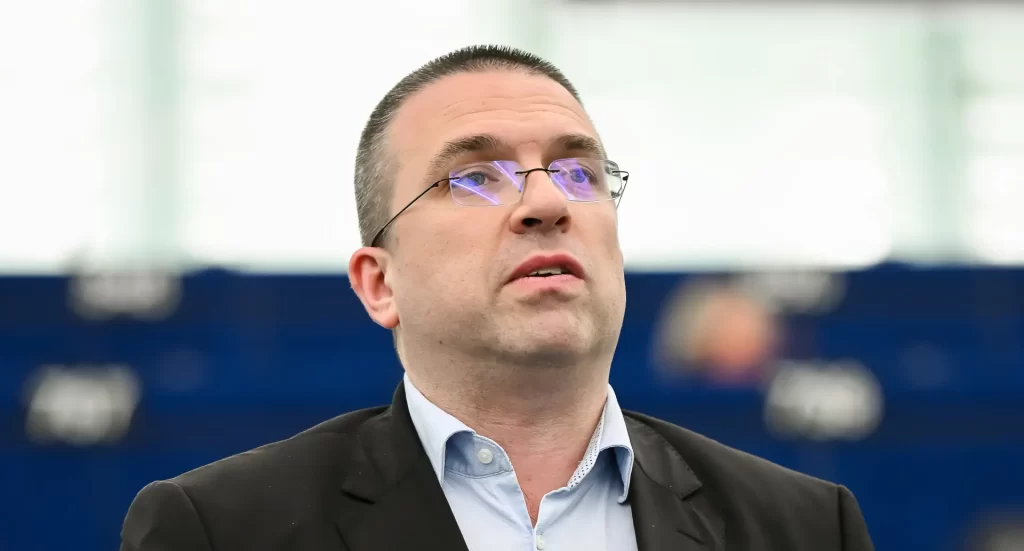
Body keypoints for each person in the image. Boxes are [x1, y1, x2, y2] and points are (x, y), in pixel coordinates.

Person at [120, 45, 874, 550]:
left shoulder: (806, 528)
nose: (547, 202)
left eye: (578, 172)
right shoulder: (220, 529)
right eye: (476, 178)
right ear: (380, 282)